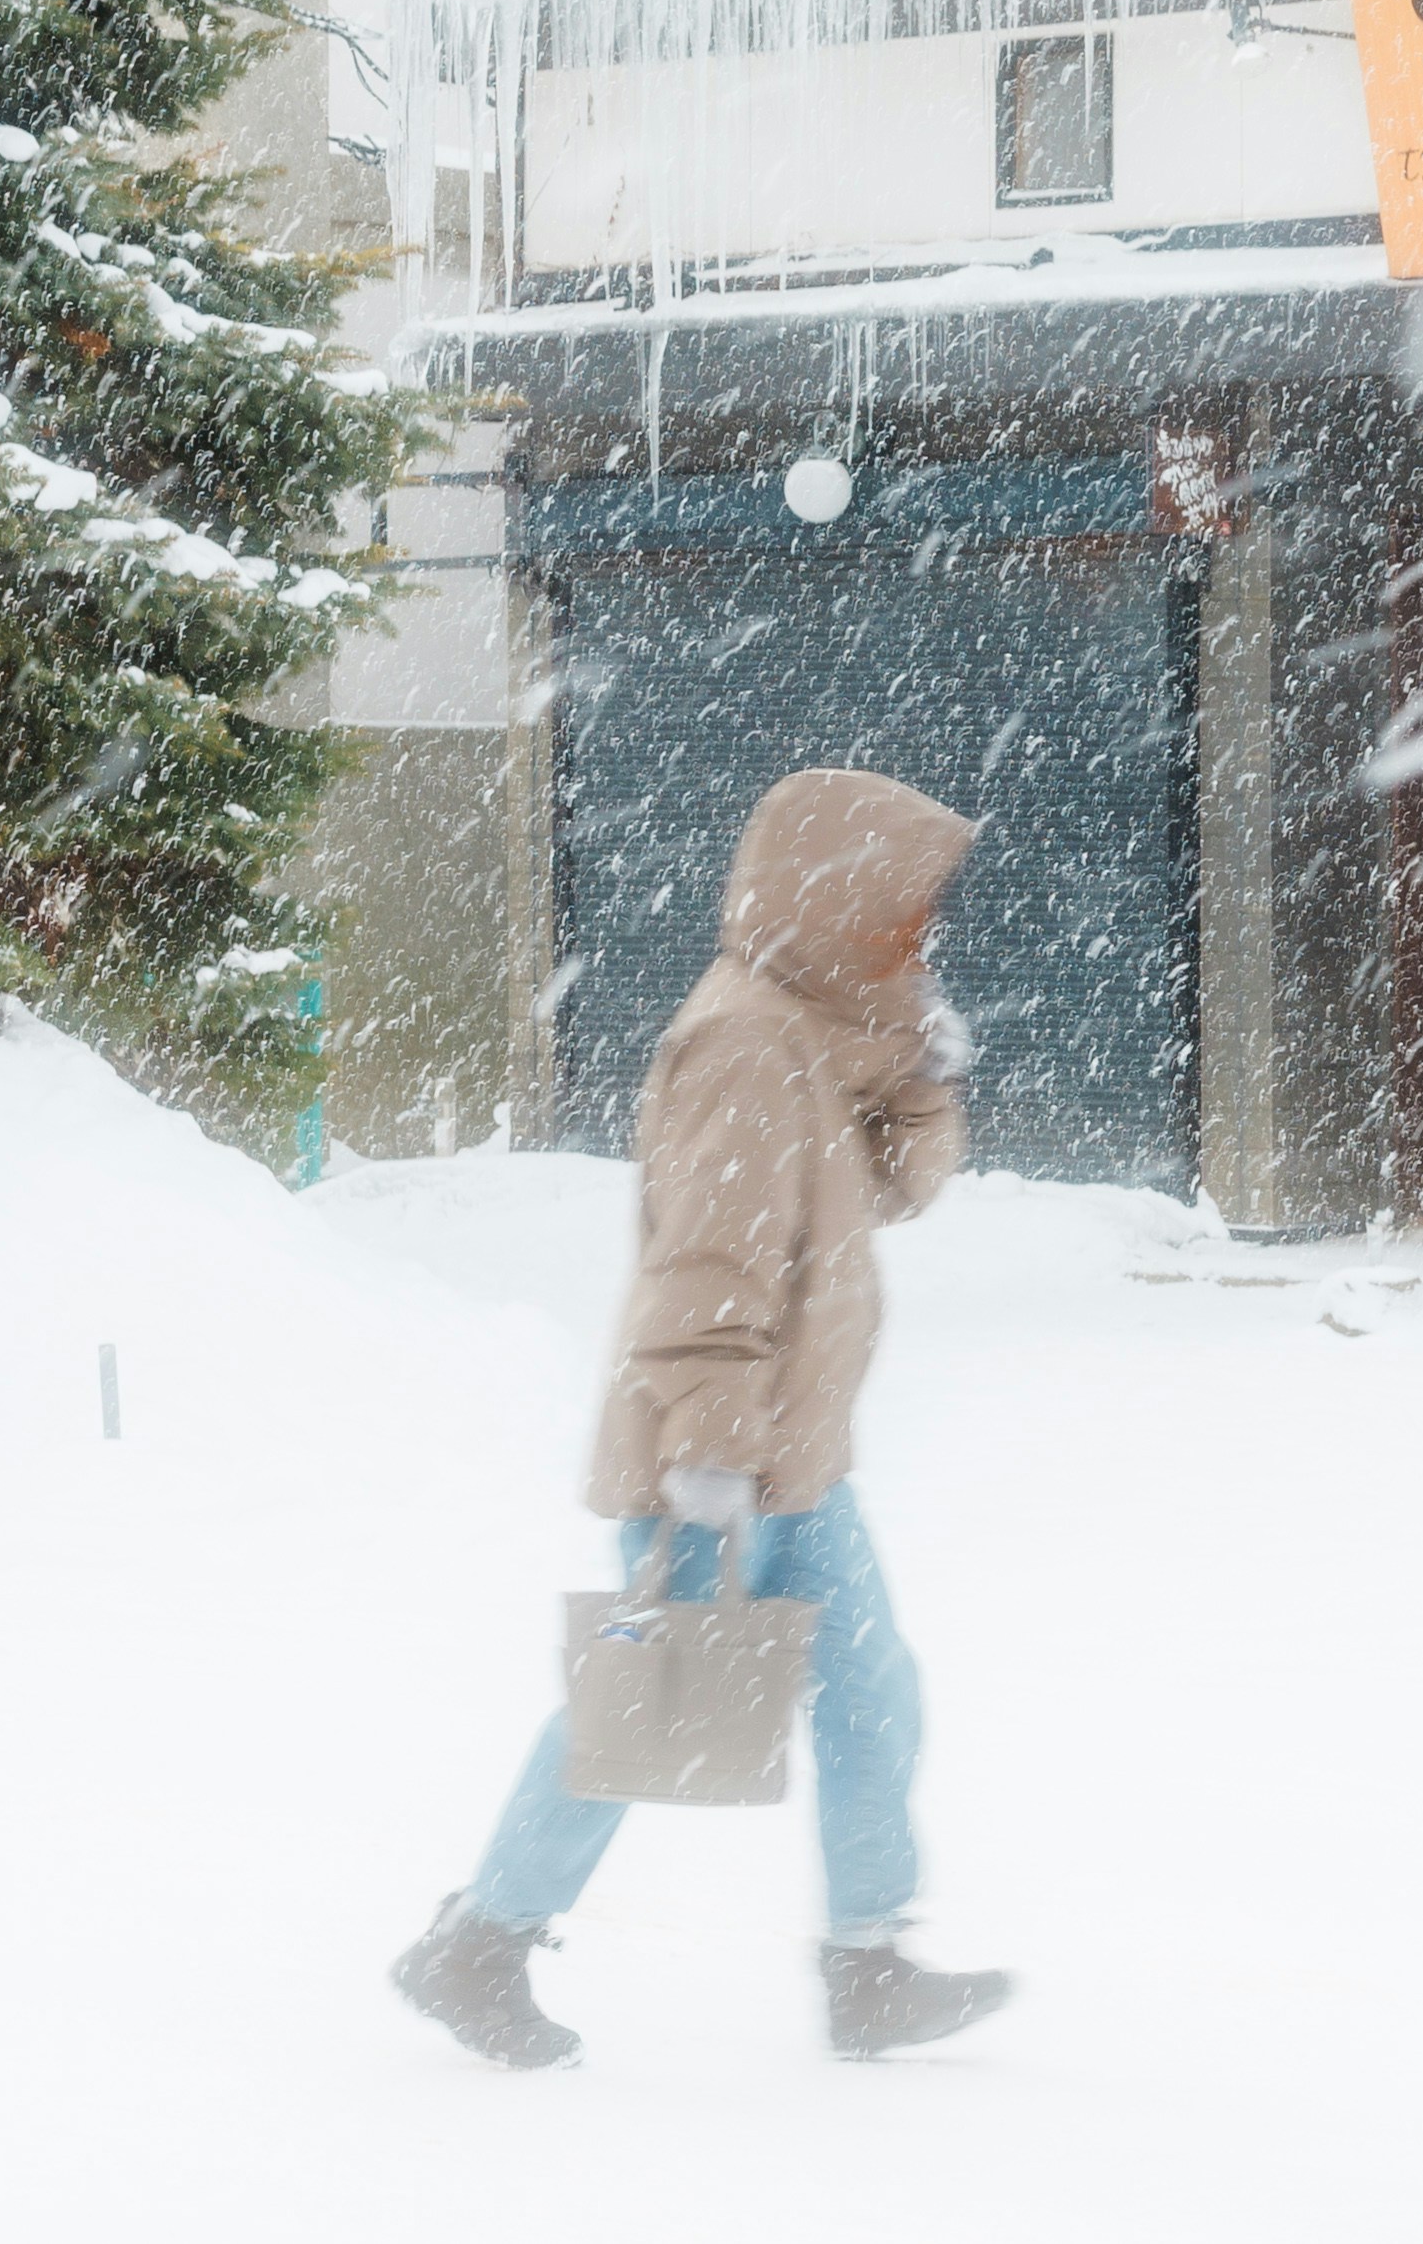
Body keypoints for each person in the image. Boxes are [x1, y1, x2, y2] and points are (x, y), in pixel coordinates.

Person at [393, 766, 1020, 2069]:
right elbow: (706, 1273)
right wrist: (711, 1455)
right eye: (904, 911)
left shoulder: (820, 1032)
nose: (921, 937)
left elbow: (894, 1191)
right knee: (645, 1716)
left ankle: (866, 1964)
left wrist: (921, 1075)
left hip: (799, 1463)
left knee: (868, 1704)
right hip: (722, 1457)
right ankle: (479, 1944)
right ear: (835, 895)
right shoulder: (742, 1046)